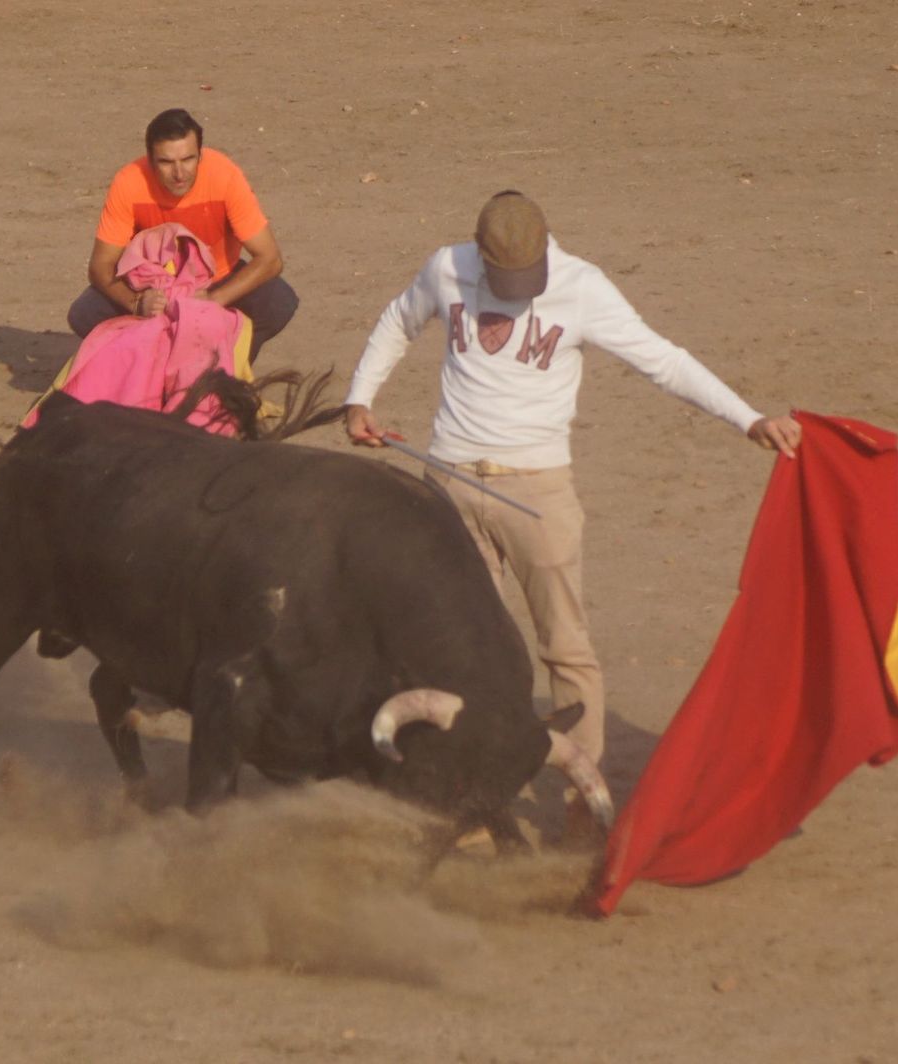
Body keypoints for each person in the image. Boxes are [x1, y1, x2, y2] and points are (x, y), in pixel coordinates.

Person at [342, 189, 801, 784]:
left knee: (565, 647)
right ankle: (466, 794)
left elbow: (663, 360)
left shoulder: (582, 285)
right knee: (453, 652)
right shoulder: (445, 267)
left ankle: (584, 795)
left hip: (537, 494)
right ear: (478, 254)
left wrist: (749, 419)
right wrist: (359, 398)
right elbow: (397, 322)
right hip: (449, 485)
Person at [67, 108, 298, 361]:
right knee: (85, 314)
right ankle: (149, 367)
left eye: (187, 159)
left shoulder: (225, 175)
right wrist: (136, 302)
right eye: (166, 162)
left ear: (200, 154)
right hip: (151, 289)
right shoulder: (129, 182)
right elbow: (100, 267)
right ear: (150, 159)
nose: (179, 173)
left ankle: (225, 369)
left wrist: (214, 299)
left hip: (215, 282)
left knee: (278, 302)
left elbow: (270, 259)